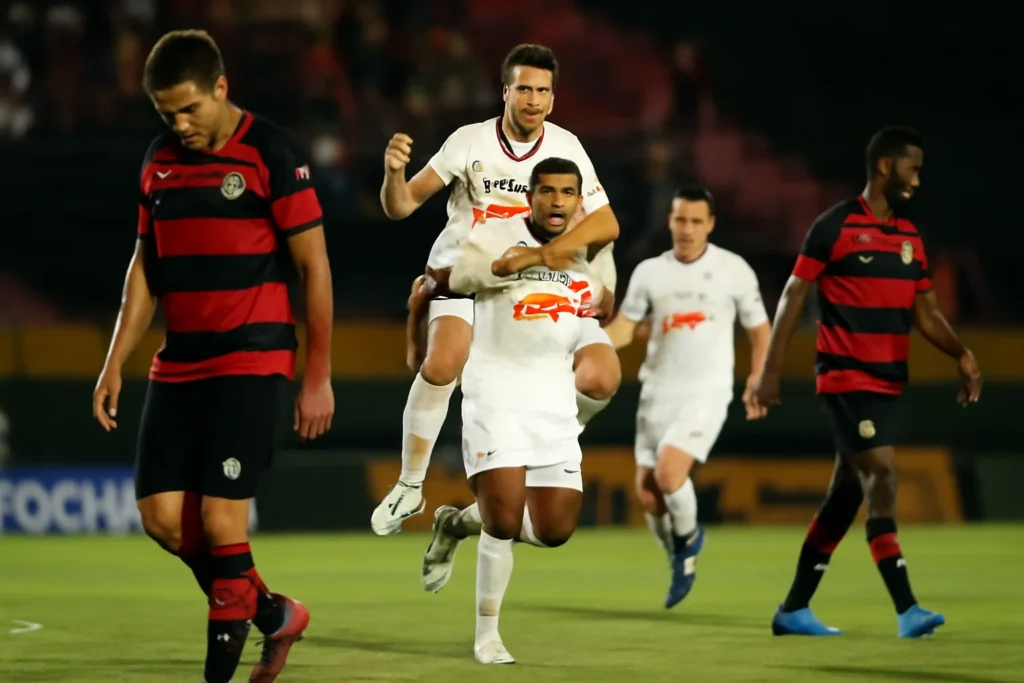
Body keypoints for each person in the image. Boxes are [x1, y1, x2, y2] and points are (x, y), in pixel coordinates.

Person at [90, 30, 335, 683]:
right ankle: (276, 613)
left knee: (222, 521)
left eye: (190, 108)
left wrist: (317, 375)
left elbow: (315, 269)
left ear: (221, 87)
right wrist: (115, 359)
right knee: (163, 520)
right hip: (179, 363)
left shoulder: (271, 152)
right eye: (167, 113)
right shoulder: (158, 160)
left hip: (251, 359)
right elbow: (145, 269)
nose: (180, 124)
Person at [371, 43, 621, 536]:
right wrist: (393, 173)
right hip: (464, 274)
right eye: (524, 88)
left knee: (600, 378)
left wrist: (548, 255)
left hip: (527, 285)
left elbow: (606, 222)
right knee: (443, 363)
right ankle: (410, 485)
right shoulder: (468, 142)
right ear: (505, 91)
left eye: (542, 91)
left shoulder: (567, 147)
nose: (533, 100)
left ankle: (559, 431)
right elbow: (400, 206)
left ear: (553, 97)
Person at [752, 126, 982, 638]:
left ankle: (793, 610)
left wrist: (961, 353)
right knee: (884, 472)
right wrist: (769, 372)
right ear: (885, 166)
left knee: (846, 494)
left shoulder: (909, 239)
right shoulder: (834, 227)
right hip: (844, 378)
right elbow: (792, 298)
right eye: (912, 168)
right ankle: (907, 610)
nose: (917, 180)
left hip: (887, 383)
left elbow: (927, 315)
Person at [417, 157, 598, 664]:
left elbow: (591, 311)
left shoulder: (582, 260)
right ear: (531, 196)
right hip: (494, 396)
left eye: (567, 192)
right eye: (547, 191)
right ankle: (487, 636)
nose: (557, 200)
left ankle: (454, 524)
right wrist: (420, 342)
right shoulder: (494, 238)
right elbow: (439, 283)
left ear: (579, 200)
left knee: (555, 529)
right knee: (502, 520)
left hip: (554, 405)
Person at [603, 185, 771, 608]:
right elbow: (625, 328)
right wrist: (588, 343)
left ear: (710, 225)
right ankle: (678, 553)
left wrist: (758, 376)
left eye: (696, 221)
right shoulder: (649, 273)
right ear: (670, 221)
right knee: (648, 494)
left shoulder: (733, 270)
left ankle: (690, 541)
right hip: (657, 391)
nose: (687, 229)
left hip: (707, 391)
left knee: (669, 475)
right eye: (680, 219)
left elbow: (759, 328)